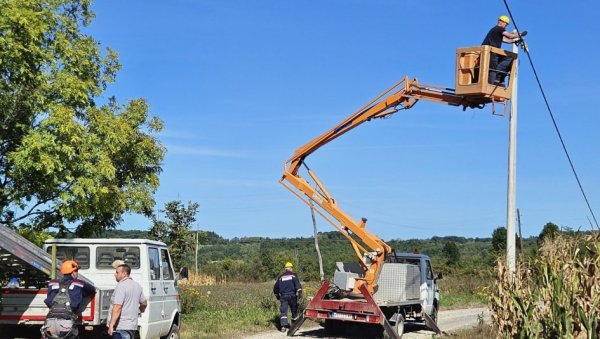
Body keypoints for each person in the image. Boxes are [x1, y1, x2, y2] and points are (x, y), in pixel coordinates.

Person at [42, 260, 96, 339]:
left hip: (50, 323)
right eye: (77, 271)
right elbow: (92, 290)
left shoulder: (52, 283)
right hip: (67, 325)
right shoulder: (79, 283)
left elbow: (49, 301)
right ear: (73, 272)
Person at [481, 15, 527, 86]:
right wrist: (521, 34)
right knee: (493, 68)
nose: (506, 26)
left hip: (493, 52)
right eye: (506, 24)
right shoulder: (498, 28)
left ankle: (499, 77)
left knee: (509, 58)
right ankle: (494, 80)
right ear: (500, 22)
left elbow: (505, 40)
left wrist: (514, 41)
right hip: (491, 52)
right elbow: (510, 36)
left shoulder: (495, 31)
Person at [108, 263, 148, 339]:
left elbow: (117, 307)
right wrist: (141, 310)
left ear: (124, 273)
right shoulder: (137, 285)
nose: (115, 274)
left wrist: (111, 325)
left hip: (121, 327)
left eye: (117, 272)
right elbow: (144, 303)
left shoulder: (121, 286)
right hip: (132, 326)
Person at [273, 262, 302, 333]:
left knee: (283, 311)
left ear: (286, 269)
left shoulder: (281, 277)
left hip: (283, 296)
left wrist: (277, 295)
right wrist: (299, 294)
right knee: (294, 310)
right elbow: (298, 286)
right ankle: (294, 326)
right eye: (291, 268)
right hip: (292, 296)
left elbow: (276, 287)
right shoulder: (294, 275)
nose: (292, 269)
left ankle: (283, 326)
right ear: (290, 268)